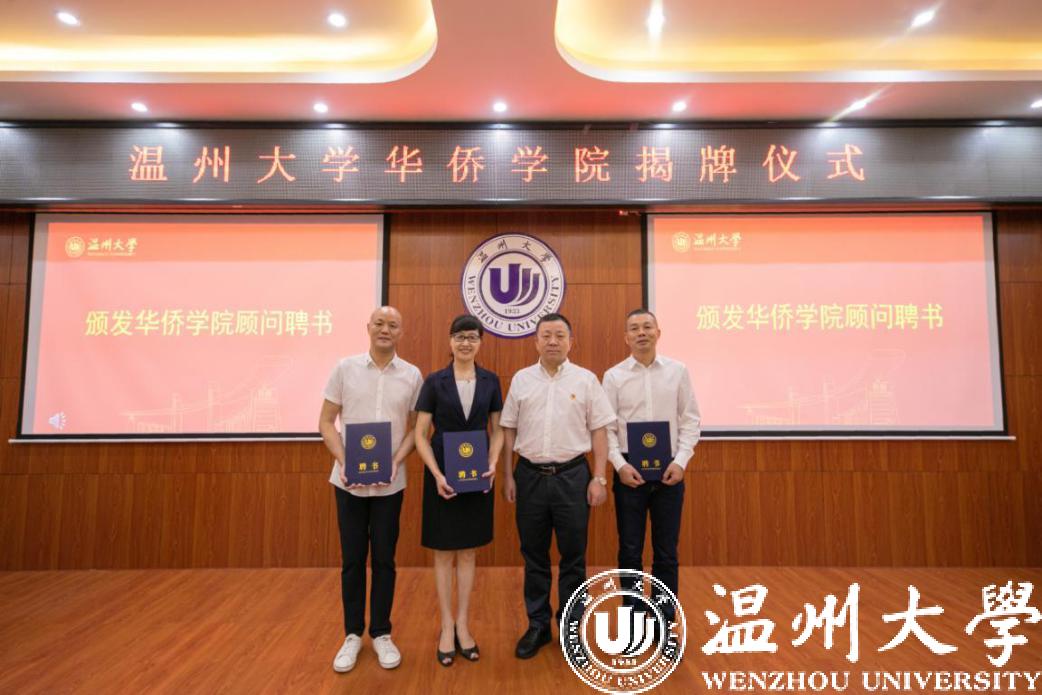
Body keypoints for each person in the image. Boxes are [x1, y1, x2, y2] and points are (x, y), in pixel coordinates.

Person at [501, 312, 616, 659]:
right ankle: (537, 626)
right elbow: (508, 430)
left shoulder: (586, 380)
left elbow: (600, 431)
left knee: (574, 557)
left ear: (570, 342)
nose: (553, 341)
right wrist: (508, 475)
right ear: (536, 341)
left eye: (560, 335)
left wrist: (599, 477)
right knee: (533, 555)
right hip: (529, 477)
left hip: (573, 477)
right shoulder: (521, 379)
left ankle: (571, 627)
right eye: (546, 335)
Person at [318, 306, 423, 674]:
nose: (385, 329)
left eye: (393, 325)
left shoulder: (412, 375)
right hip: (347, 482)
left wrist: (396, 461)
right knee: (351, 560)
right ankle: (351, 634)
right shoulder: (344, 368)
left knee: (384, 559)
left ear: (401, 332)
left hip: (390, 484)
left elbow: (418, 429)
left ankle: (381, 632)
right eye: (379, 323)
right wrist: (344, 459)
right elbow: (326, 422)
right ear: (368, 327)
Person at [414, 314, 504, 666]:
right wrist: (436, 474)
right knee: (443, 553)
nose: (466, 343)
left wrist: (493, 463)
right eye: (460, 336)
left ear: (481, 342)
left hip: (478, 475)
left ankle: (463, 624)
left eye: (472, 337)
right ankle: (446, 626)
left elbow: (497, 429)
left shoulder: (491, 381)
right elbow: (421, 434)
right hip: (443, 476)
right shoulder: (434, 381)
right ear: (450, 341)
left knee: (468, 552)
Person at [601, 309, 701, 625]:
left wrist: (681, 461)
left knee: (666, 551)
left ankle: (663, 618)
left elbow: (690, 419)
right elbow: (607, 428)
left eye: (647, 327)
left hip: (669, 470)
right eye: (634, 328)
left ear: (658, 333)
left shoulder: (678, 371)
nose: (641, 332)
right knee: (630, 550)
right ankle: (632, 620)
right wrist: (619, 465)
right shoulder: (613, 376)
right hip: (629, 471)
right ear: (626, 337)